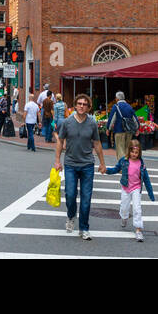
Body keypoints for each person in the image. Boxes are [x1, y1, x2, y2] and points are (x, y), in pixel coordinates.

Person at [55, 94, 108, 240]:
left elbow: (97, 143)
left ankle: (84, 228)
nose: (82, 106)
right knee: (70, 194)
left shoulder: (92, 123)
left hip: (87, 165)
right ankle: (71, 216)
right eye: (79, 103)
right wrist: (57, 160)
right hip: (71, 164)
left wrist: (102, 163)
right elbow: (60, 141)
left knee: (86, 198)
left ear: (88, 107)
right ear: (75, 105)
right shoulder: (67, 122)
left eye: (85, 104)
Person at [105, 137, 155, 241]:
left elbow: (146, 179)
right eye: (132, 152)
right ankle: (124, 217)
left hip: (136, 188)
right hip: (125, 187)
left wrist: (151, 193)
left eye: (136, 152)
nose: (134, 154)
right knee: (124, 207)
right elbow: (116, 169)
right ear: (129, 151)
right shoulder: (124, 161)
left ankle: (138, 230)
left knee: (137, 209)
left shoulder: (141, 164)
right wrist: (106, 170)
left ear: (139, 153)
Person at [106, 92, 139, 160]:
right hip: (129, 131)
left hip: (119, 131)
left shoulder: (116, 106)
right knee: (127, 149)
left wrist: (108, 128)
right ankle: (127, 164)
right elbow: (135, 119)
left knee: (120, 149)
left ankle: (122, 167)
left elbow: (112, 119)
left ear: (117, 99)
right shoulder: (129, 107)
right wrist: (137, 129)